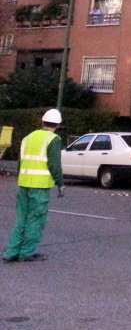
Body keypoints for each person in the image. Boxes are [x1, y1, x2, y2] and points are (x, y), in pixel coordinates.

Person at [3, 109, 66, 263]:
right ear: (57, 125)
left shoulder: (27, 138)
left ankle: (11, 252)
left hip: (24, 183)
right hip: (40, 186)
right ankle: (27, 253)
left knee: (22, 218)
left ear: (42, 121)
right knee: (36, 219)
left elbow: (20, 162)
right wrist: (60, 183)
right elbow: (54, 165)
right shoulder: (53, 139)